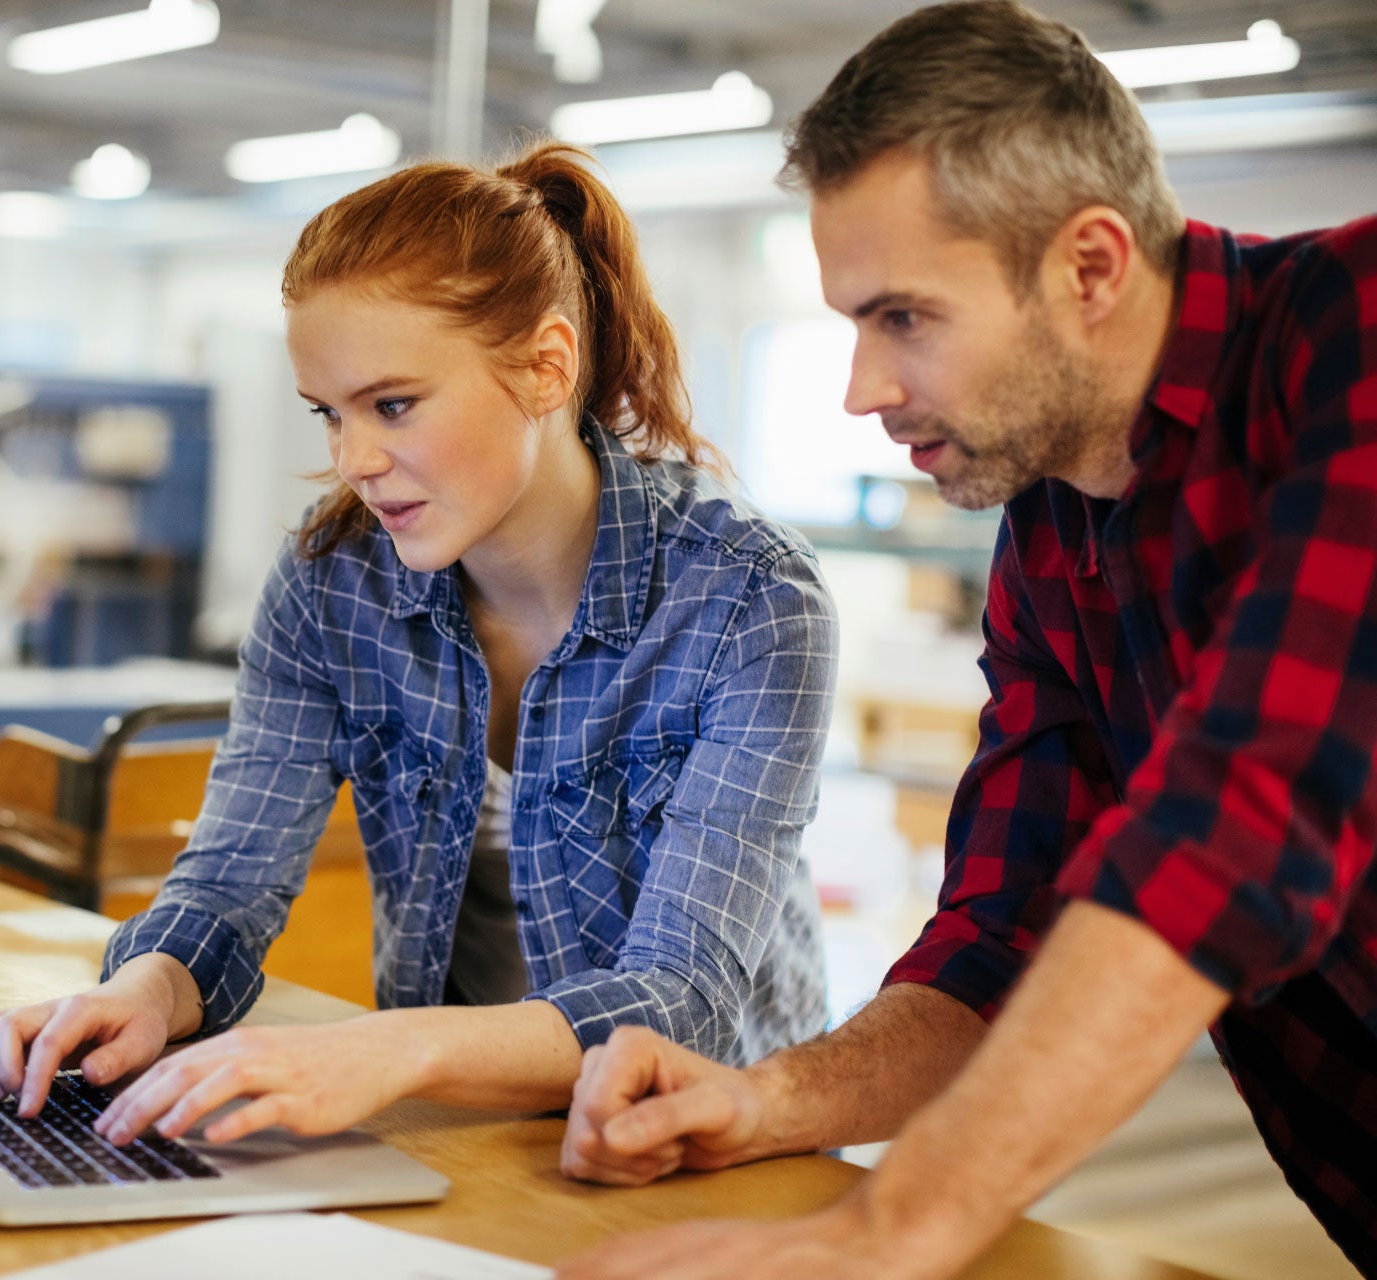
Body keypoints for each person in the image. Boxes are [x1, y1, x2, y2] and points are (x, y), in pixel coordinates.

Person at [555, 3, 1377, 1278]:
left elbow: (1245, 821)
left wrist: (901, 1222)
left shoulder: (1354, 335)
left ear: (1090, 267)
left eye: (905, 318)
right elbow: (1005, 930)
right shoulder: (1053, 524)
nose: (863, 389)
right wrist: (770, 1098)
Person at [0, 141, 839, 1148]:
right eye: (330, 414)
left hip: (699, 1145)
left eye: (393, 405)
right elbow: (227, 882)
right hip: (461, 1126)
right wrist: (148, 987)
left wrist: (385, 1050)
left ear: (546, 365)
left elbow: (682, 996)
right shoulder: (329, 579)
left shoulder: (748, 601)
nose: (355, 461)